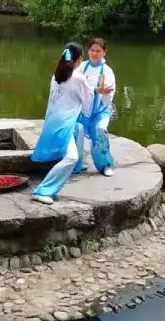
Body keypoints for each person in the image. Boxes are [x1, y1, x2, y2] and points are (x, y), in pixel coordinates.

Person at [30, 43, 97, 205]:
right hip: (64, 124)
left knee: (79, 129)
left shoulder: (56, 75)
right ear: (79, 59)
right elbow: (88, 100)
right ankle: (43, 190)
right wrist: (87, 112)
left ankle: (77, 167)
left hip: (53, 120)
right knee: (71, 157)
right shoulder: (78, 78)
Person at [75, 38, 116, 177]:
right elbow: (75, 86)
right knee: (77, 133)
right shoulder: (82, 67)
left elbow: (109, 92)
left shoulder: (107, 71)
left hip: (100, 110)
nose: (94, 53)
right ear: (88, 51)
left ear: (104, 52)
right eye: (92, 50)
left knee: (100, 132)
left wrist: (103, 94)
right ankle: (76, 165)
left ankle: (105, 165)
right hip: (82, 109)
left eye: (98, 51)